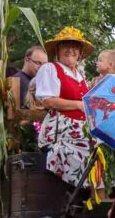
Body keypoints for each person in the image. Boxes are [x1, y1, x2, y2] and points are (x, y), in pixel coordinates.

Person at [34, 27, 94, 185]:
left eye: (75, 46)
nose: (70, 50)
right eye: (65, 45)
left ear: (80, 53)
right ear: (57, 50)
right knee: (87, 150)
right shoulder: (50, 69)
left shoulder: (80, 75)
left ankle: (101, 198)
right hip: (61, 131)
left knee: (105, 149)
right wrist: (78, 105)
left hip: (81, 130)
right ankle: (93, 200)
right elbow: (47, 100)